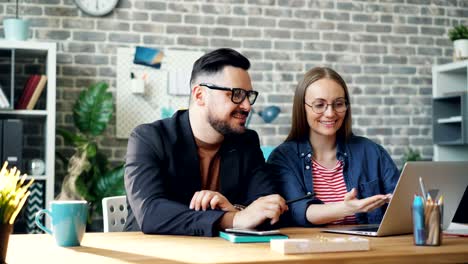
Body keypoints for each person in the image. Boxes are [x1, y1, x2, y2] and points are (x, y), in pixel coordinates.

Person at [124, 48, 287, 236]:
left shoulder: (246, 142)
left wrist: (233, 209)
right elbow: (151, 213)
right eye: (236, 94)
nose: (247, 106)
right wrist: (233, 219)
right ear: (200, 95)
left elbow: (270, 207)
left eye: (248, 96)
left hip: (222, 255)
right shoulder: (149, 138)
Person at [267, 67, 399, 227]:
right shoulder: (283, 158)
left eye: (338, 104)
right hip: (310, 249)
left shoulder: (372, 152)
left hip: (369, 249)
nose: (330, 113)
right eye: (319, 105)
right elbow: (299, 211)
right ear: (303, 108)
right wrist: (346, 208)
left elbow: (402, 203)